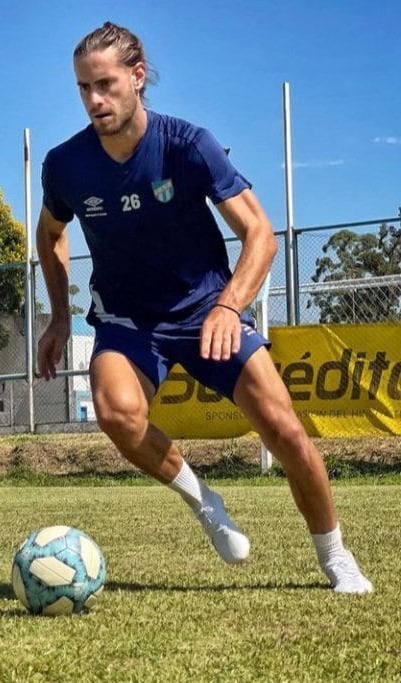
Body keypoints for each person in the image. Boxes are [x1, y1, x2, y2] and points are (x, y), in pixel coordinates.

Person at [36, 21, 372, 594]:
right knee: (117, 414)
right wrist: (61, 316)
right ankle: (204, 501)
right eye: (83, 88)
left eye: (106, 84)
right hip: (127, 321)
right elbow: (49, 235)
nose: (94, 100)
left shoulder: (189, 146)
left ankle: (336, 557)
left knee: (285, 430)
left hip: (205, 313)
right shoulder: (66, 165)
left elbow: (260, 234)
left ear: (138, 78)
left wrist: (227, 306)